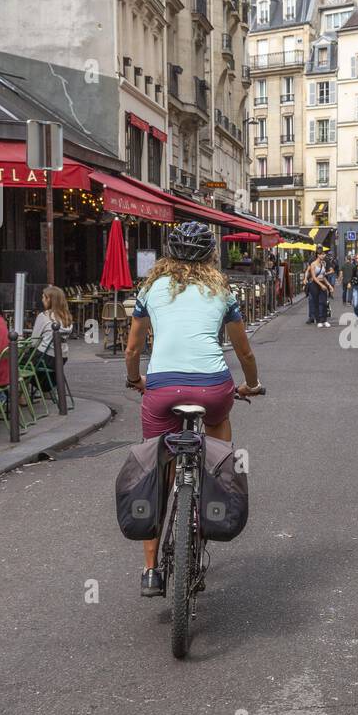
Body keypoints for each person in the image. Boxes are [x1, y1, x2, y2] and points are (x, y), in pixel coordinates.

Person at [125, 221, 263, 597]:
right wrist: (250, 384)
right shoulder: (222, 291)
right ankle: (209, 501)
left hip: (162, 387)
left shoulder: (151, 289)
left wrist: (134, 379)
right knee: (218, 449)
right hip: (212, 387)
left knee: (156, 469)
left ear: (169, 254)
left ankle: (151, 570)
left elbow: (133, 349)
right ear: (210, 256)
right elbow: (244, 351)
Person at [29, 285, 73, 392]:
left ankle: (21, 395)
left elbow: (34, 342)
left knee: (17, 362)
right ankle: (47, 391)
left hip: (44, 358)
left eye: (44, 297)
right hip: (61, 358)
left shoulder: (44, 316)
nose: (42, 299)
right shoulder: (67, 317)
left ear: (49, 299)